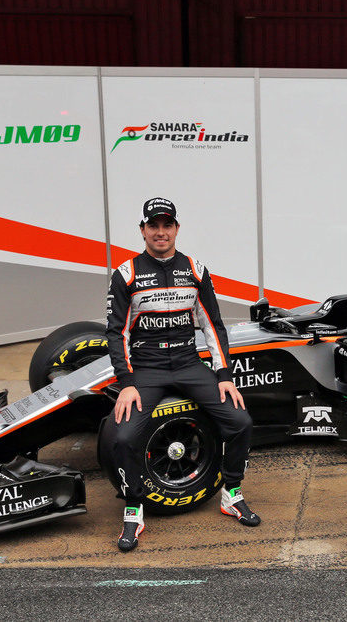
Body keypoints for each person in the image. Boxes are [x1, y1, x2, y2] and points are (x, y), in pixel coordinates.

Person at [105, 197, 260, 552]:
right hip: (147, 369)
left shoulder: (195, 269)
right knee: (124, 436)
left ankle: (231, 493)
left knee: (241, 421)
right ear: (142, 230)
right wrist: (127, 383)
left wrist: (223, 374)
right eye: (153, 226)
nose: (161, 232)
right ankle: (134, 507)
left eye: (167, 225)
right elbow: (117, 333)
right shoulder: (126, 273)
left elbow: (211, 324)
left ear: (177, 228)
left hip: (189, 364)